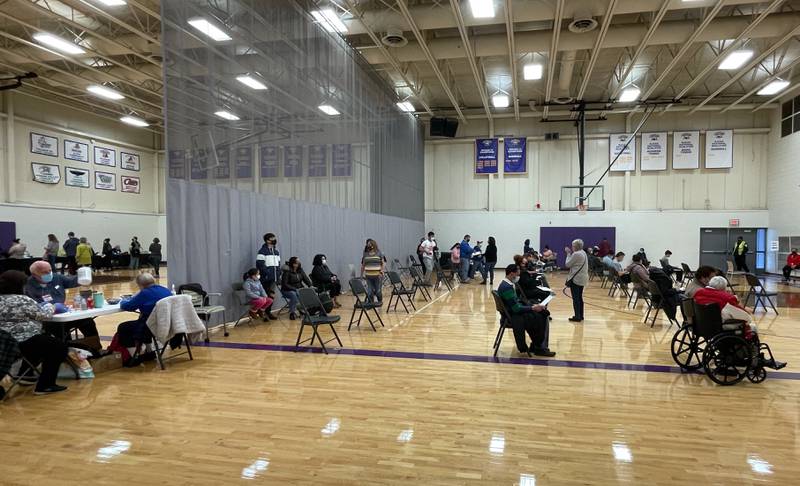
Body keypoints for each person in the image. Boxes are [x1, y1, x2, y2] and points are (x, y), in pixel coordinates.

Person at [0, 270, 68, 396]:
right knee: (59, 346)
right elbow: (44, 315)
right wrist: (51, 306)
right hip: (22, 340)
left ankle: (25, 374)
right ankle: (45, 385)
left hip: (4, 344)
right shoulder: (22, 300)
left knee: (41, 343)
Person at [694, 276, 786, 370]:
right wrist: (741, 307)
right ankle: (754, 358)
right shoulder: (726, 297)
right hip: (722, 327)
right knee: (752, 328)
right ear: (722, 288)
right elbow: (744, 316)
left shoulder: (698, 293)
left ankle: (735, 353)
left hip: (703, 325)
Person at [24, 261, 101, 352]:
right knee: (58, 328)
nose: (49, 274)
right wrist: (50, 307)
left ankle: (95, 348)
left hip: (64, 314)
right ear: (34, 274)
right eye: (45, 272)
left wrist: (83, 274)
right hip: (47, 319)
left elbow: (71, 282)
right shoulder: (27, 286)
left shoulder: (56, 277)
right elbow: (33, 308)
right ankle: (69, 352)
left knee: (87, 320)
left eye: (50, 270)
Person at [497, 264, 555, 357]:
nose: (518, 277)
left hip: (511, 313)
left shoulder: (506, 284)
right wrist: (532, 308)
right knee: (542, 316)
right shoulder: (506, 287)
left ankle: (536, 345)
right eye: (517, 274)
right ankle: (540, 347)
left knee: (540, 313)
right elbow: (516, 309)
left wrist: (531, 306)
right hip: (513, 316)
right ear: (512, 274)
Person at [116, 273, 172, 366]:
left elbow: (128, 306)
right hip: (166, 323)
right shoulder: (165, 290)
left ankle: (134, 356)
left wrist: (123, 300)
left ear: (140, 285)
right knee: (143, 321)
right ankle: (149, 352)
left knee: (124, 327)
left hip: (151, 326)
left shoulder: (144, 293)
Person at [255, 232, 280, 320]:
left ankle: (268, 312)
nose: (274, 240)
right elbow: (260, 265)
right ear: (267, 240)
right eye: (272, 238)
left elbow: (278, 265)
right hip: (265, 279)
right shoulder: (262, 252)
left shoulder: (276, 252)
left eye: (274, 238)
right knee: (265, 296)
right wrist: (268, 273)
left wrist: (278, 274)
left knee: (271, 296)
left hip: (274, 279)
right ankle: (262, 313)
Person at [564, 239, 589, 323]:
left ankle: (577, 316)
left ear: (575, 246)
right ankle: (581, 315)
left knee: (575, 298)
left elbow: (567, 264)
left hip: (576, 279)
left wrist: (568, 254)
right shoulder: (583, 252)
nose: (572, 247)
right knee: (579, 297)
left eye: (573, 246)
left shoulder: (576, 254)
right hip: (583, 278)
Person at [361, 239, 385, 306]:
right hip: (368, 276)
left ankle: (380, 302)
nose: (369, 245)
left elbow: (382, 263)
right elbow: (363, 265)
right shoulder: (365, 254)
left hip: (377, 276)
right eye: (368, 244)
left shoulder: (378, 252)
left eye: (370, 244)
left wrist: (382, 271)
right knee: (369, 292)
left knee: (377, 291)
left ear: (373, 245)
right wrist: (361, 275)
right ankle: (371, 305)